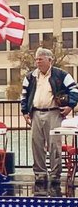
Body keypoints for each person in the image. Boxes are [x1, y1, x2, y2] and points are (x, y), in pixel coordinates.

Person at [20, 47, 78, 188]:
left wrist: (70, 106)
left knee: (54, 145)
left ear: (49, 60)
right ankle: (39, 174)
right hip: (35, 113)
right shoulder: (30, 77)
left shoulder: (61, 75)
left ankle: (55, 175)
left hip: (54, 113)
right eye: (36, 59)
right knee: (36, 144)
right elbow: (24, 95)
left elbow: (74, 89)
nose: (37, 62)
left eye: (40, 59)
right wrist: (25, 112)